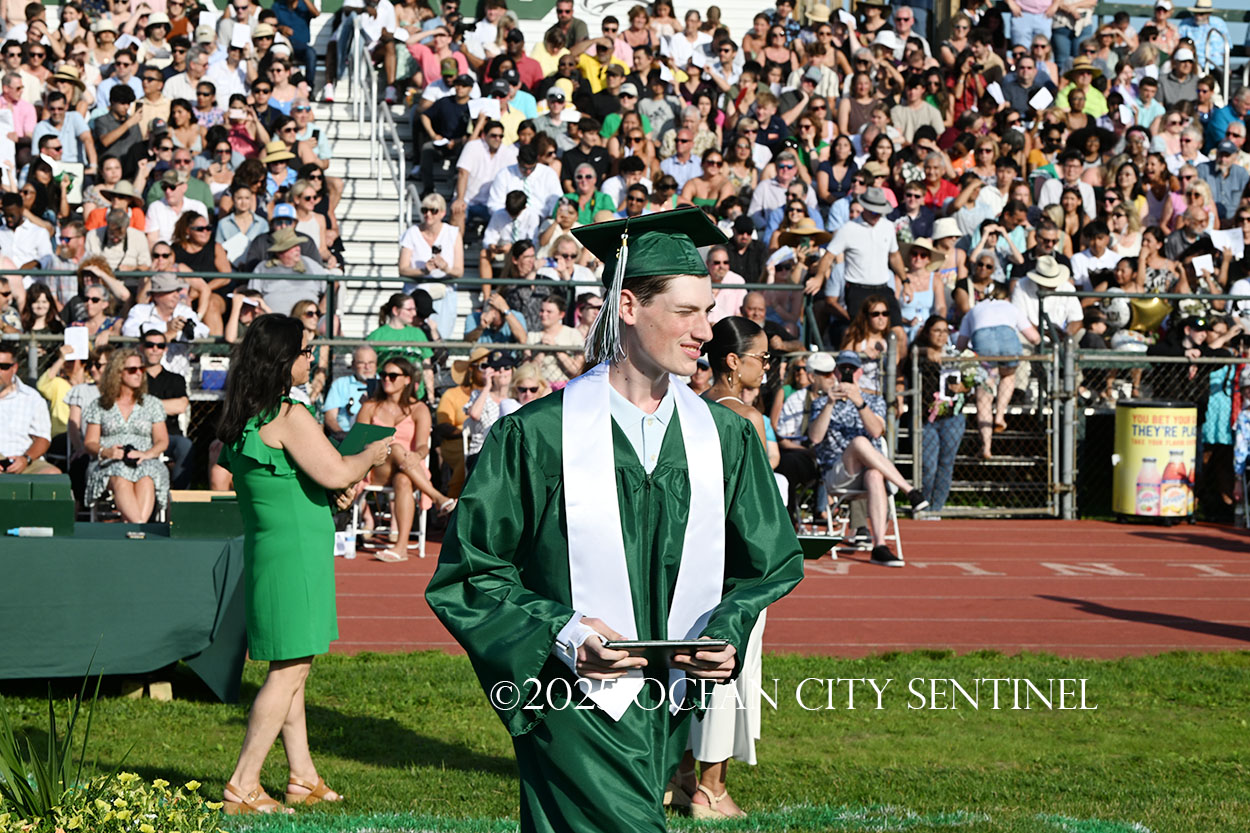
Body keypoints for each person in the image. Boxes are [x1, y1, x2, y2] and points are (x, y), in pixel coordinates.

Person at [425, 207, 804, 833]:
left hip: (671, 707)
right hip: (572, 699)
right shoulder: (537, 437)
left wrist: (728, 631)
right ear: (628, 305)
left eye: (708, 312)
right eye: (687, 312)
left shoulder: (723, 438)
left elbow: (769, 562)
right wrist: (566, 631)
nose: (705, 332)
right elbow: (471, 575)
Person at [217, 314, 390, 815]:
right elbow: (336, 470)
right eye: (305, 351)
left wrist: (332, 489)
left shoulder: (245, 414)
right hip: (294, 554)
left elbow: (291, 480)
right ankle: (243, 784)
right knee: (289, 670)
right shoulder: (289, 413)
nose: (310, 358)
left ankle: (302, 775)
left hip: (274, 549)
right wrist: (372, 453)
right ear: (283, 358)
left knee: (291, 666)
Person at [807, 349, 928, 567]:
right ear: (835, 373)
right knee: (859, 443)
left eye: (851, 369)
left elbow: (876, 431)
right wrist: (830, 404)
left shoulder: (873, 401)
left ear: (860, 373)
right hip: (838, 472)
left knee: (874, 474)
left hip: (867, 472)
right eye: (843, 369)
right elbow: (815, 438)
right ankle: (909, 490)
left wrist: (859, 402)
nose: (847, 373)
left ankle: (879, 546)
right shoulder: (821, 402)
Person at [354, 356, 456, 562]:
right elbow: (356, 443)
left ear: (407, 380)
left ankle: (400, 548)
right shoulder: (370, 407)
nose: (386, 379)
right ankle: (437, 497)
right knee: (396, 447)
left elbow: (423, 446)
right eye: (383, 375)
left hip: (409, 469)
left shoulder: (419, 409)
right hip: (377, 468)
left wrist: (416, 455)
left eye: (393, 376)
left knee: (403, 480)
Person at [82, 348, 170, 521]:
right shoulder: (100, 405)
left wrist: (146, 454)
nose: (139, 373)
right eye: (132, 370)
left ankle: (136, 527)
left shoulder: (152, 404)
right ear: (118, 373)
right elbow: (90, 442)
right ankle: (139, 527)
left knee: (147, 477)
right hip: (109, 462)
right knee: (120, 475)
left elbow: (162, 441)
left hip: (144, 459)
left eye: (141, 369)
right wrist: (107, 452)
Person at [957, 283, 1042, 458]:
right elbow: (1034, 338)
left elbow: (960, 345)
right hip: (1008, 345)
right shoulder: (1011, 308)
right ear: (1006, 296)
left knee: (984, 396)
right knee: (1008, 376)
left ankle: (986, 447)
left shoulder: (973, 310)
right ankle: (1000, 415)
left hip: (983, 346)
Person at [0, 341, 59, 474]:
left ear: (14, 368)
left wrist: (26, 459)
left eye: (3, 367)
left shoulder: (32, 398)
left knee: (52, 475)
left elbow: (43, 438)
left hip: (24, 459)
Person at [323, 345, 377, 438]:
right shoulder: (340, 384)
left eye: (371, 362)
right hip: (346, 434)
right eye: (361, 363)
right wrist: (342, 435)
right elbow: (330, 417)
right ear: (353, 365)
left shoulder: (386, 384)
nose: (367, 367)